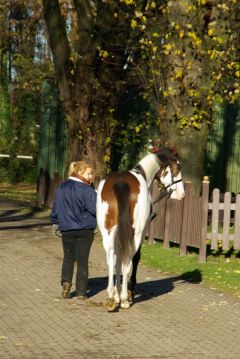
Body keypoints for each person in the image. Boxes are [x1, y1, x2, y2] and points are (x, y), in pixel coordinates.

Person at [50, 160, 97, 300]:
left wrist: (55, 222)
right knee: (83, 260)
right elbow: (95, 209)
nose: (90, 176)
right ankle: (82, 292)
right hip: (85, 229)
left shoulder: (62, 187)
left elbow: (56, 207)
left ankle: (66, 283)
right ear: (79, 172)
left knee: (68, 257)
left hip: (67, 229)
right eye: (88, 173)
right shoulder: (88, 190)